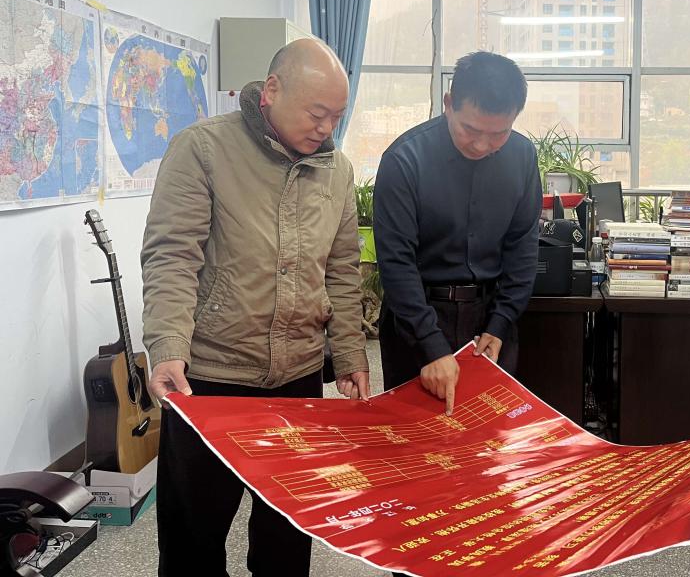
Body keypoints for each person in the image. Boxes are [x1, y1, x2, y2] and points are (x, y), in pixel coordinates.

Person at [141, 38, 370, 577]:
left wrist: (351, 354)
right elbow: (172, 256)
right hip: (211, 378)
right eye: (316, 113)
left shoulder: (336, 170)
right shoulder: (203, 149)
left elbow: (341, 270)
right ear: (271, 90)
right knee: (194, 540)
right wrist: (168, 346)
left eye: (336, 117)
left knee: (286, 538)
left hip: (298, 378)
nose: (326, 128)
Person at [374, 51, 541, 415]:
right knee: (414, 430)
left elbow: (523, 248)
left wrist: (500, 323)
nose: (482, 145)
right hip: (417, 316)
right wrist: (430, 345)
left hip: (489, 317)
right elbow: (397, 263)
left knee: (488, 428)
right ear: (449, 103)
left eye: (498, 134)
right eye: (471, 130)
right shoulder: (404, 160)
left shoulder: (522, 157)